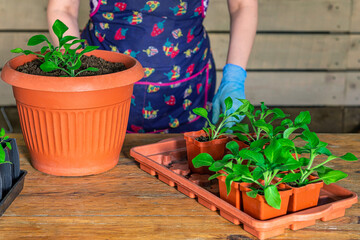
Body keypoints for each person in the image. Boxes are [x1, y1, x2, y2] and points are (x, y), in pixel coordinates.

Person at [47, 0, 258, 133]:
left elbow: (243, 5)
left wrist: (234, 76)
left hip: (189, 94)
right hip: (102, 91)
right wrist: (75, 69)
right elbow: (62, 8)